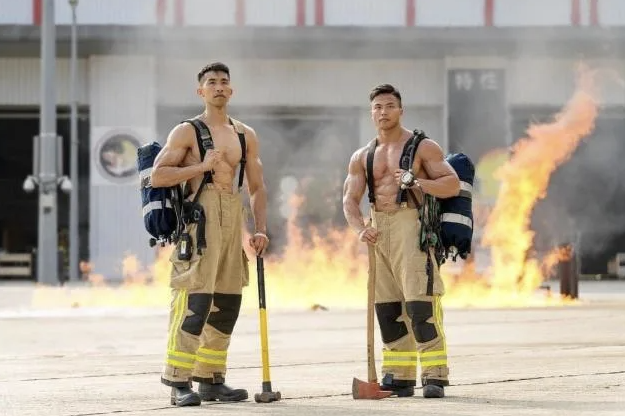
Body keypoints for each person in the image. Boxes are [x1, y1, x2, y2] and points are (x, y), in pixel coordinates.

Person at [151, 62, 269, 407]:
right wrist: (201, 167)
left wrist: (260, 229)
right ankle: (177, 380)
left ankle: (211, 379)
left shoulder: (246, 135)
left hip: (233, 215)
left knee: (227, 301)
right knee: (195, 299)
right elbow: (158, 176)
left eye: (223, 82)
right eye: (211, 82)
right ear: (200, 91)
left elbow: (258, 188)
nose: (218, 87)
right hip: (200, 218)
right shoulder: (187, 131)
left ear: (230, 91)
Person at [342, 84, 460, 399]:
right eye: (378, 107)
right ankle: (398, 377)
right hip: (378, 231)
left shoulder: (422, 147)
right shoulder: (363, 156)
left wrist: (416, 182)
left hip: (412, 226)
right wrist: (359, 228)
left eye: (390, 106)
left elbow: (451, 184)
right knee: (388, 309)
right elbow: (350, 200)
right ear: (372, 112)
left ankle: (434, 375)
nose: (384, 112)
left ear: (401, 110)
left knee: (420, 305)